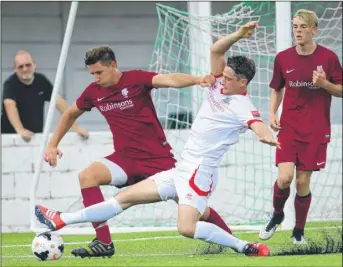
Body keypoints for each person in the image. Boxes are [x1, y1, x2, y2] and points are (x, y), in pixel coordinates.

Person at [36, 22, 279, 257]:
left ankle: (240, 245)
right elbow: (216, 50)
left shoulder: (241, 104)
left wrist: (266, 136)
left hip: (193, 170)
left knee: (187, 226)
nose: (220, 80)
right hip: (174, 168)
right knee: (122, 198)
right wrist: (238, 34)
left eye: (227, 78)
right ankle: (63, 220)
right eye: (222, 75)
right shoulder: (219, 86)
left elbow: (256, 124)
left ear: (242, 82)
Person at [259, 9, 342, 245]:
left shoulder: (329, 58)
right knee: (284, 178)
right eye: (295, 26)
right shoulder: (283, 58)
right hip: (289, 127)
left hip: (316, 129)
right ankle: (277, 214)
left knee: (302, 182)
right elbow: (277, 88)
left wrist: (324, 83)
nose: (298, 31)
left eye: (303, 27)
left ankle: (298, 231)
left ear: (314, 30)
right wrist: (272, 112)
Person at [1, 51, 89, 141]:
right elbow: (10, 106)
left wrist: (76, 128)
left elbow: (60, 103)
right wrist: (20, 130)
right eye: (20, 66)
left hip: (36, 137)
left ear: (34, 64)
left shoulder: (41, 81)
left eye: (28, 65)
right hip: (11, 138)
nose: (25, 69)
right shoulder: (10, 84)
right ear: (14, 68)